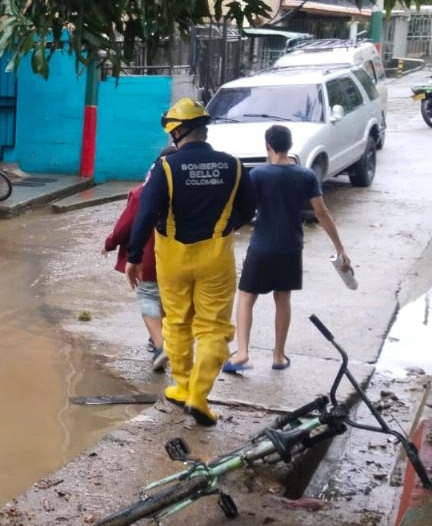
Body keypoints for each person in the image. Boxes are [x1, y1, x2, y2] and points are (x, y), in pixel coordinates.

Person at [126, 97, 256, 427]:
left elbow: (145, 213)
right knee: (214, 327)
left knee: (177, 322)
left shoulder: (165, 167)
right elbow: (248, 208)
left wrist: (133, 256)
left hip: (172, 257)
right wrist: (227, 226)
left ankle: (183, 387)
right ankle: (199, 395)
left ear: (177, 132)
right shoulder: (233, 166)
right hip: (216, 256)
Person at [223, 125, 352, 373]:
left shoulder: (258, 175)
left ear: (267, 145)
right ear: (289, 145)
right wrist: (340, 248)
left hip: (262, 246)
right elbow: (322, 213)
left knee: (247, 298)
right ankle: (279, 356)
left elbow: (244, 208)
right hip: (291, 247)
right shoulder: (306, 176)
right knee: (283, 299)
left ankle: (242, 354)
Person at [103, 147, 175, 372]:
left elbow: (126, 224)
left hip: (148, 258)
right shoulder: (187, 194)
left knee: (148, 297)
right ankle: (159, 342)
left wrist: (110, 242)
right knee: (166, 299)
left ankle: (161, 345)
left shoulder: (143, 193)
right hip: (180, 259)